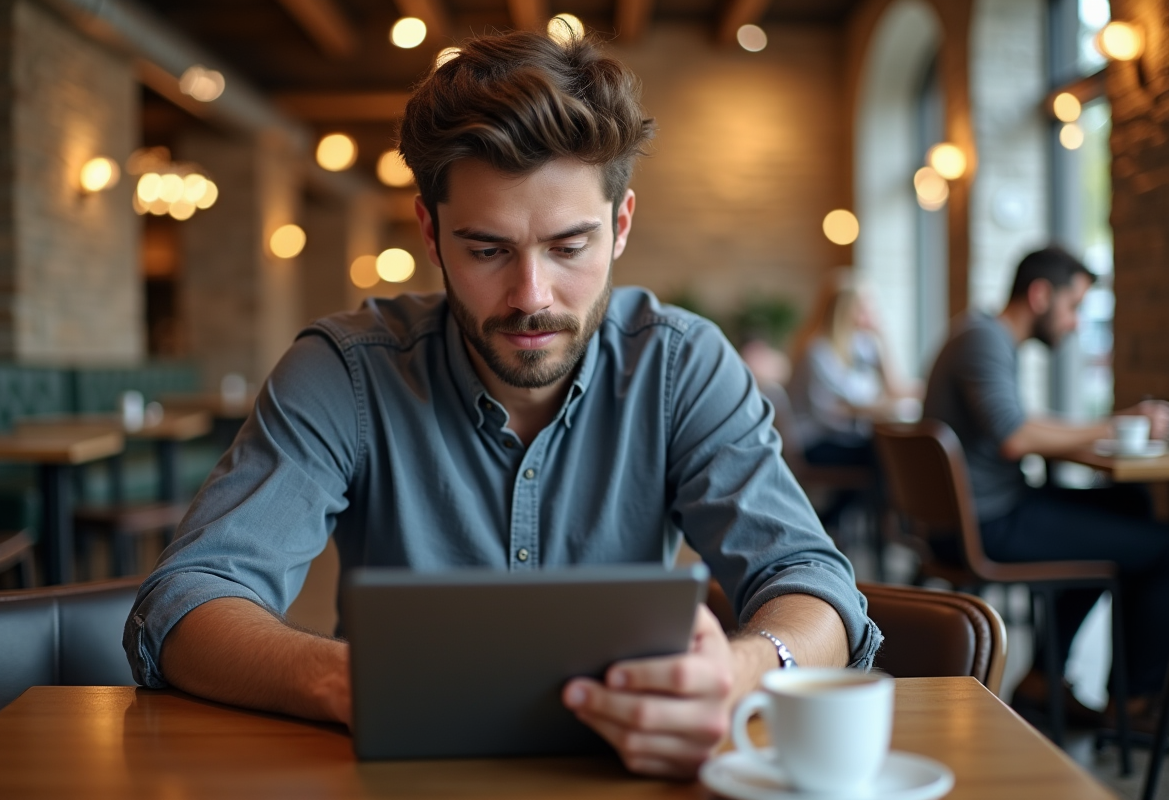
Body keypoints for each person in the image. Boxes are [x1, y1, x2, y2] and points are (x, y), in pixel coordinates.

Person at [123, 30, 880, 779]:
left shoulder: (682, 366)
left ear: (619, 227)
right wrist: (349, 681)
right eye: (487, 249)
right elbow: (189, 602)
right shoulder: (345, 373)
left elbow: (812, 584)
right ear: (431, 232)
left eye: (568, 247)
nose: (531, 298)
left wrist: (749, 667)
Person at [924, 246, 1169, 726]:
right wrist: (1116, 425)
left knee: (1130, 501)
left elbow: (1019, 427)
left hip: (979, 512)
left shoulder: (981, 334)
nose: (1077, 322)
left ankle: (1043, 676)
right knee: (1162, 546)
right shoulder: (984, 339)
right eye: (1073, 306)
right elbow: (1015, 437)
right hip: (986, 525)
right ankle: (1134, 703)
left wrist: (1098, 435)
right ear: (1040, 295)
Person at [788, 275, 916, 471]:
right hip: (817, 441)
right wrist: (881, 406)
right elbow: (840, 408)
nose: (874, 313)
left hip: (845, 436)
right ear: (845, 310)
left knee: (890, 450)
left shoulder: (861, 344)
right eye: (866, 307)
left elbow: (894, 388)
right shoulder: (818, 351)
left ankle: (856, 502)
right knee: (889, 454)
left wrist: (883, 338)